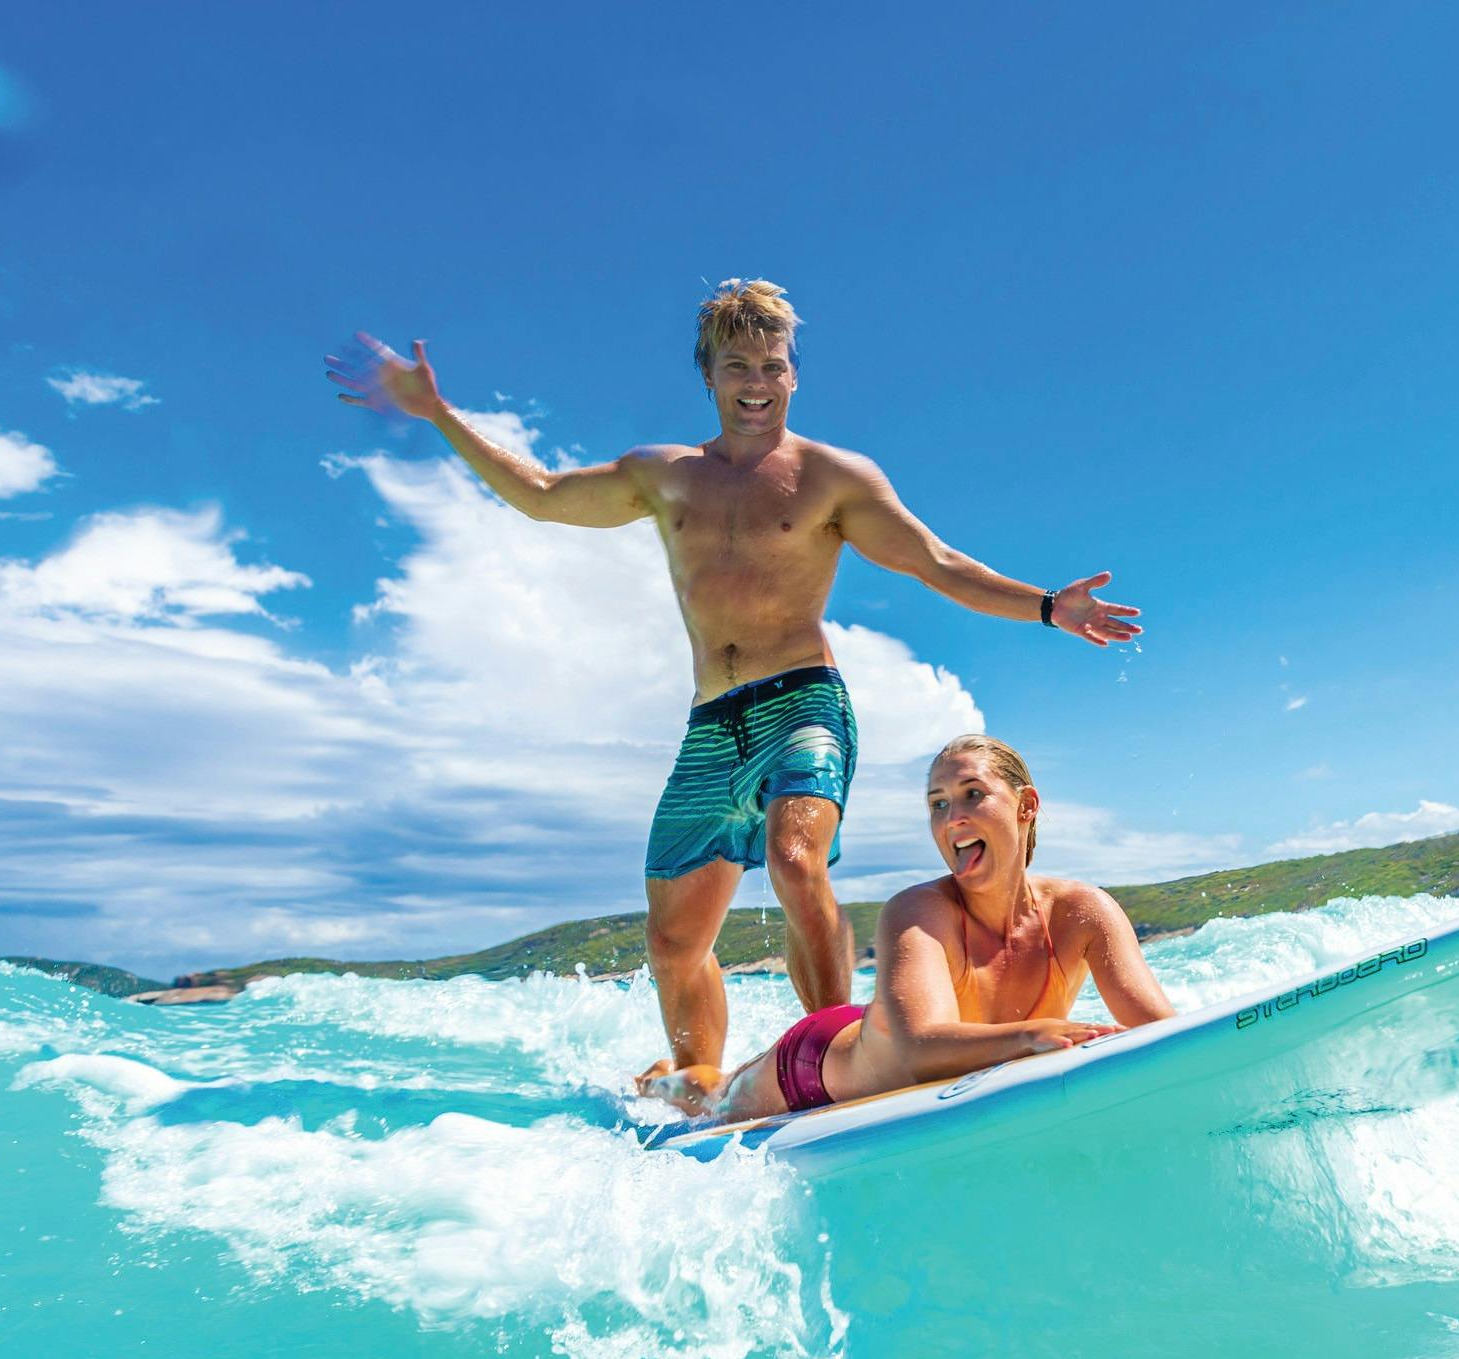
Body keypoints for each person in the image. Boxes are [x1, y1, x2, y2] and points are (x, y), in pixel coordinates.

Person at [327, 281, 1143, 1079]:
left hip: (803, 702)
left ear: (793, 375)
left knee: (795, 859)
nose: (757, 384)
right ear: (709, 377)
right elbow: (541, 497)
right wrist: (438, 415)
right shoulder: (664, 473)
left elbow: (936, 563)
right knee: (672, 940)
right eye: (737, 366)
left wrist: (1045, 607)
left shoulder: (833, 478)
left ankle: (835, 1059)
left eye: (772, 366)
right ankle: (700, 1085)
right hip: (711, 725)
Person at [640, 735, 1174, 1124]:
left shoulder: (1084, 912)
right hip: (819, 1068)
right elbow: (920, 1049)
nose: (952, 818)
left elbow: (1161, 1030)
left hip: (883, 1025)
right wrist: (1033, 1036)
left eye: (971, 794)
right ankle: (659, 1080)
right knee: (714, 1095)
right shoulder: (918, 911)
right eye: (938, 804)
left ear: (1026, 806)